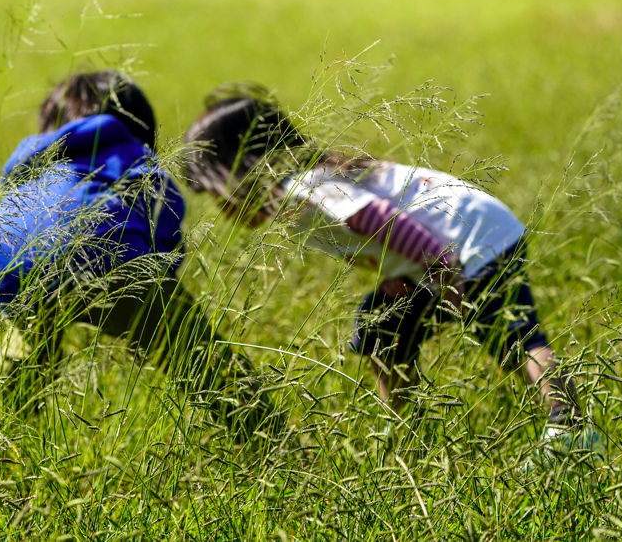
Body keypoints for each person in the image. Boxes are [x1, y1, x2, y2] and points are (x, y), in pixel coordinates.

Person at [182, 84, 591, 446]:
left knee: (514, 341)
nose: (221, 209)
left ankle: (572, 428)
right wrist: (402, 276)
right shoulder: (309, 184)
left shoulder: (301, 190)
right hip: (468, 234)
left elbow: (378, 218)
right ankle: (411, 438)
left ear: (241, 171)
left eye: (216, 194)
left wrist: (442, 268)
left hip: (472, 242)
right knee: (380, 328)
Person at [0, 71, 279, 441]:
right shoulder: (129, 152)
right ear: (140, 126)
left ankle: (6, 442)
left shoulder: (32, 157)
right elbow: (164, 221)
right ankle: (264, 433)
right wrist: (158, 293)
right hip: (109, 261)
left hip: (13, 267)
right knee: (197, 352)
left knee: (24, 348)